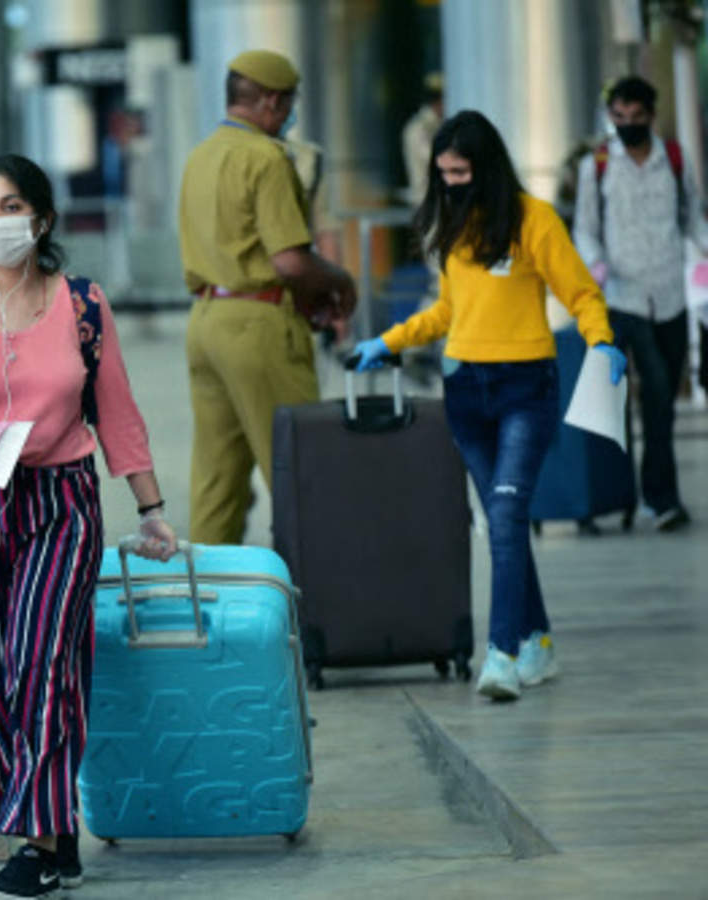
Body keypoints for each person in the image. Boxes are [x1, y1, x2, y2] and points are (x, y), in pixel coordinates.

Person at [0, 152, 179, 899]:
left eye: (12, 206)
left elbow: (118, 412)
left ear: (40, 219)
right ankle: (54, 829)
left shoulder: (82, 304)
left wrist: (151, 509)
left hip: (59, 503)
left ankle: (37, 846)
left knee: (42, 662)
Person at [353, 110, 628, 701]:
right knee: (502, 523)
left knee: (505, 518)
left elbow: (579, 290)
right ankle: (538, 641)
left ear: (486, 167)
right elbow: (450, 311)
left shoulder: (534, 220)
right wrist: (389, 342)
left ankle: (501, 654)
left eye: (460, 171)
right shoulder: (454, 225)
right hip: (466, 392)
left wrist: (602, 339)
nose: (451, 183)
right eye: (443, 173)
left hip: (526, 388)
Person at [179, 49, 356, 545]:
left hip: (205, 322)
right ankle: (318, 604)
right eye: (290, 104)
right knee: (300, 470)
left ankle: (213, 602)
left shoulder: (200, 156)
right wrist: (341, 283)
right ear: (273, 101)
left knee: (217, 481)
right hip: (258, 327)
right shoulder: (266, 157)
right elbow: (291, 261)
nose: (290, 116)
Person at [573, 75, 704, 532]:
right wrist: (595, 263)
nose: (627, 124)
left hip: (669, 292)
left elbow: (692, 216)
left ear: (651, 115)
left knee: (662, 399)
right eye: (619, 117)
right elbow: (585, 227)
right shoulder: (598, 166)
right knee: (627, 392)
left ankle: (658, 497)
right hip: (621, 294)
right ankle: (626, 496)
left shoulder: (674, 158)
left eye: (636, 117)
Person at [402, 72, 445, 206]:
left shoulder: (439, 124)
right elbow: (437, 159)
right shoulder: (419, 128)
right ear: (438, 101)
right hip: (428, 202)